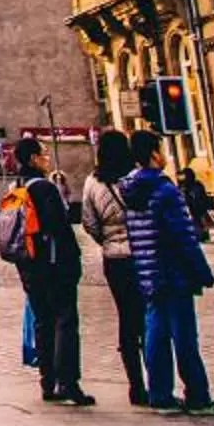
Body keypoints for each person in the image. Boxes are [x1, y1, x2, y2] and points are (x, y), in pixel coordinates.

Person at [123, 129, 214, 416]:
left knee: (156, 333)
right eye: (161, 150)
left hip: (148, 272)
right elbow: (184, 236)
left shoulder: (130, 191)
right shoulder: (164, 190)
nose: (164, 156)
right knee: (185, 336)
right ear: (153, 154)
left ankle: (160, 394)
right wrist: (201, 271)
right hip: (173, 271)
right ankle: (198, 396)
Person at [8, 137, 91, 405]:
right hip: (53, 264)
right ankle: (69, 382)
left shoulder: (15, 187)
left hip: (28, 265)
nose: (47, 158)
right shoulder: (44, 188)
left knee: (42, 321)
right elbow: (59, 227)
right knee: (65, 320)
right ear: (33, 159)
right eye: (43, 154)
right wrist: (73, 261)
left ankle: (47, 381)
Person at [80, 129, 149, 409]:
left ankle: (135, 385)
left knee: (127, 320)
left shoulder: (92, 183)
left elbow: (89, 221)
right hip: (143, 255)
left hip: (115, 260)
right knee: (150, 319)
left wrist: (108, 240)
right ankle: (157, 380)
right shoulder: (137, 178)